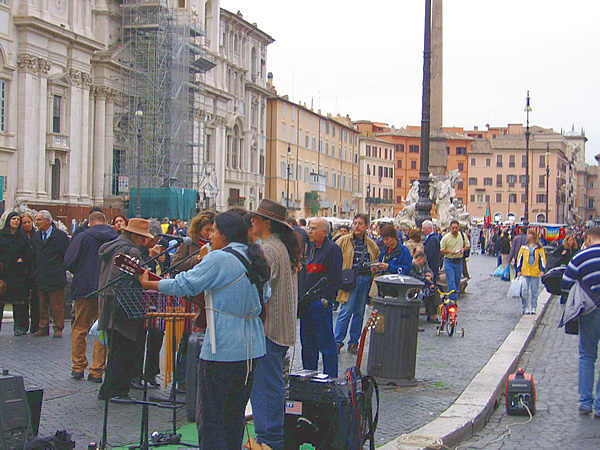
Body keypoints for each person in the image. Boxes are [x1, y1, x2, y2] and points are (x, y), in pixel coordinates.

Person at [139, 211, 268, 449]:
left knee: (210, 415)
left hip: (223, 347)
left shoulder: (218, 258)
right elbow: (265, 294)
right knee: (234, 413)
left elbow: (184, 283)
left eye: (215, 231)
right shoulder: (255, 255)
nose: (211, 237)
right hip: (253, 346)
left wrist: (150, 283)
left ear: (226, 235)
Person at [250, 200, 301, 450]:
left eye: (256, 218)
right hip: (280, 327)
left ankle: (269, 441)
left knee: (267, 386)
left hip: (269, 328)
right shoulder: (279, 246)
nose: (252, 222)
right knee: (271, 384)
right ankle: (270, 438)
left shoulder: (268, 249)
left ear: (266, 222)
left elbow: (259, 287)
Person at [97, 218, 154, 402]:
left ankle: (107, 390)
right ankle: (117, 391)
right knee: (124, 349)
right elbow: (129, 279)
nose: (144, 242)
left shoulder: (114, 246)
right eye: (143, 238)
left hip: (109, 301)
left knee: (115, 349)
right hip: (124, 305)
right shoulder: (131, 250)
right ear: (134, 235)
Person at [64, 211, 118, 382]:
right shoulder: (115, 237)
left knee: (80, 326)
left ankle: (78, 366)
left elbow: (69, 261)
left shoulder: (82, 237)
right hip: (106, 288)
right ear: (106, 222)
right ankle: (97, 370)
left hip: (84, 287)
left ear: (90, 222)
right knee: (101, 328)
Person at [560, 227, 600, 416]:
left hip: (590, 311)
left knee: (587, 355)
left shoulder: (581, 257)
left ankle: (585, 402)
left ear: (588, 239)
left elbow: (565, 283)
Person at [300, 217, 342, 377]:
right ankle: (308, 376)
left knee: (325, 342)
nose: (309, 231)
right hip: (307, 302)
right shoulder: (310, 248)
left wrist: (326, 299)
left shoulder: (332, 249)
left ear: (324, 232)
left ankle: (330, 378)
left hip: (320, 302)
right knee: (308, 343)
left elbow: (336, 277)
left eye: (313, 228)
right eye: (309, 228)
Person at [334, 214, 380, 354]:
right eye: (355, 223)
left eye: (360, 223)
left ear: (367, 226)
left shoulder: (371, 244)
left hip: (365, 279)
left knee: (359, 312)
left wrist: (374, 268)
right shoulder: (343, 241)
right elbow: (334, 256)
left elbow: (376, 257)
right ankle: (337, 341)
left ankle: (354, 342)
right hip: (349, 279)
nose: (357, 226)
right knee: (345, 311)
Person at [32, 210, 69, 338]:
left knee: (57, 304)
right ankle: (43, 326)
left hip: (55, 275)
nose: (36, 223)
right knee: (42, 304)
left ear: (48, 221)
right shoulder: (36, 236)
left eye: (39, 220)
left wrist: (60, 268)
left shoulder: (60, 236)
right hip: (41, 274)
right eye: (36, 220)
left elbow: (66, 254)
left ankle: (58, 327)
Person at [0, 212, 33, 335]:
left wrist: (22, 259)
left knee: (19, 302)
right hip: (3, 273)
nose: (16, 221)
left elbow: (29, 252)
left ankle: (20, 327)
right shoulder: (1, 235)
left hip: (18, 274)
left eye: (18, 219)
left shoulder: (22, 236)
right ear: (8, 220)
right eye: (13, 219)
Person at [516, 228, 546, 315]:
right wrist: (519, 270)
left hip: (535, 271)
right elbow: (519, 258)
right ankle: (525, 307)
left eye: (529, 234)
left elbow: (542, 259)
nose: (527, 236)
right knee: (524, 290)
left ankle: (533, 307)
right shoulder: (524, 247)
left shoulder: (539, 247)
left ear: (533, 235)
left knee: (534, 290)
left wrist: (542, 270)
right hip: (525, 271)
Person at [439, 220, 469, 302]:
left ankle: (454, 297)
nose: (455, 230)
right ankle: (453, 300)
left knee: (457, 281)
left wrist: (463, 249)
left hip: (459, 261)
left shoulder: (462, 236)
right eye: (453, 228)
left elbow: (467, 246)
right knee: (451, 281)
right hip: (449, 260)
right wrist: (450, 252)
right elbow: (441, 250)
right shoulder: (446, 238)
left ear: (458, 228)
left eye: (456, 228)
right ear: (450, 228)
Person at [21, 212, 39, 333]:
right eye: (24, 223)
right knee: (22, 299)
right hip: (22, 271)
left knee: (36, 299)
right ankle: (22, 325)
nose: (27, 225)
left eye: (29, 222)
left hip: (35, 270)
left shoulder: (37, 236)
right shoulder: (19, 236)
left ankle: (35, 325)